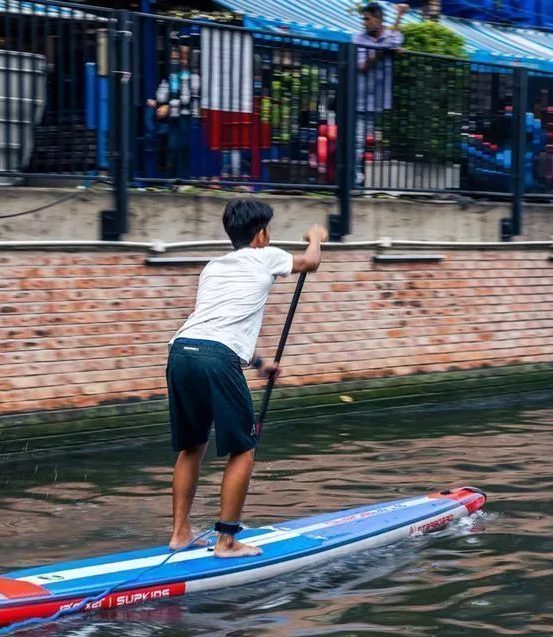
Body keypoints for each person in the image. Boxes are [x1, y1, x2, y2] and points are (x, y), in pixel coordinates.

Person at [165, 199, 328, 558]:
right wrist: (315, 237)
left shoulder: (213, 266)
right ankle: (226, 541)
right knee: (243, 448)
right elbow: (310, 263)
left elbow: (215, 323)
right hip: (217, 358)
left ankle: (180, 534)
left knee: (192, 446)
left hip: (181, 352)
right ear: (261, 234)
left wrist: (258, 363)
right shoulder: (265, 255)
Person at [352, 2, 409, 185]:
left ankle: (374, 182)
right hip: (360, 101)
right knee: (357, 143)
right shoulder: (358, 39)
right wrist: (378, 52)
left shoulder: (391, 36)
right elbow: (361, 66)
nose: (364, 23)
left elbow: (395, 40)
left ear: (378, 20)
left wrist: (399, 17)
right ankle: (355, 181)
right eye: (364, 19)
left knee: (377, 145)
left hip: (380, 101)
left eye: (368, 19)